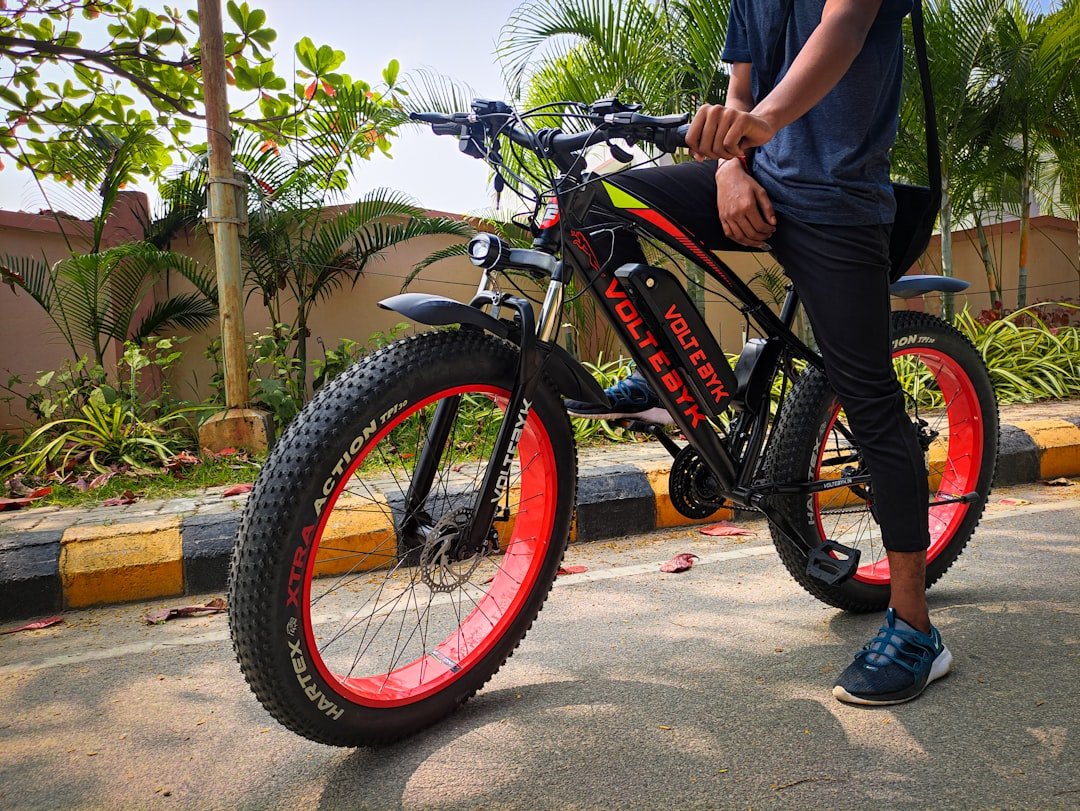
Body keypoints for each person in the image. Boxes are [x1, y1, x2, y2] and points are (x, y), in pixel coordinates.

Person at [566, 0, 952, 705]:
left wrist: (764, 123)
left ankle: (915, 628)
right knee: (594, 203)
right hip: (755, 183)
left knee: (870, 403)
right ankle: (675, 385)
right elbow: (739, 94)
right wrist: (728, 168)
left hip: (838, 203)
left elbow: (843, 28)